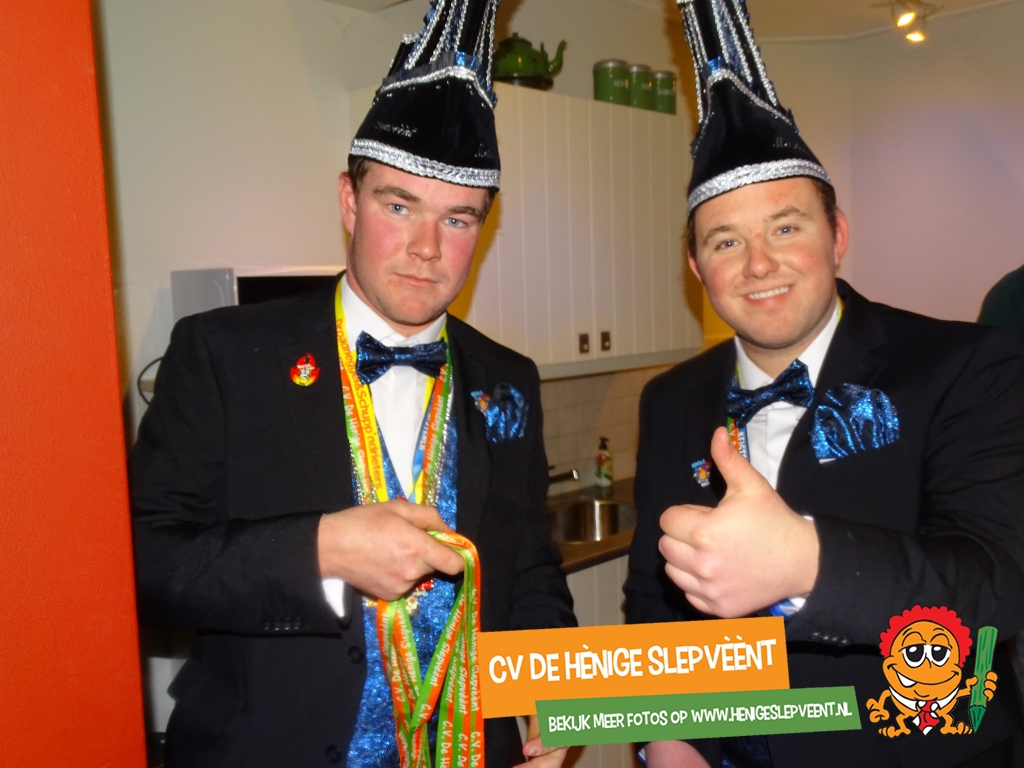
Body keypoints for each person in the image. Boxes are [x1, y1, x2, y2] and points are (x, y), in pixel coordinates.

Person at [130, 1, 575, 766]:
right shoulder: (223, 354)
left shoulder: (510, 378)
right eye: (399, 206)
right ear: (349, 201)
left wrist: (552, 690)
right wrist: (322, 550)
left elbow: (529, 565)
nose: (427, 247)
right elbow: (145, 563)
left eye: (458, 219)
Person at [624, 1, 1024, 767]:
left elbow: (998, 588)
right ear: (697, 268)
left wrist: (806, 562)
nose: (759, 264)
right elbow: (653, 598)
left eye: (785, 227)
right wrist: (667, 735)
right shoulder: (669, 399)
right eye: (726, 242)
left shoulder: (967, 366)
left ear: (837, 235)